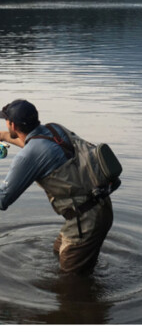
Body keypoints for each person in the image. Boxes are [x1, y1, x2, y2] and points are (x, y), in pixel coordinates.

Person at [0, 99, 113, 275]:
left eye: (5, 121)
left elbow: (3, 199)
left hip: (85, 220)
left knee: (70, 282)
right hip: (100, 204)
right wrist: (1, 136)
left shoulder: (28, 156)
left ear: (12, 124)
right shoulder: (54, 129)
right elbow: (34, 147)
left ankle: (82, 299)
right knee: (57, 251)